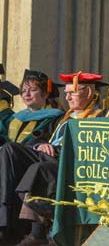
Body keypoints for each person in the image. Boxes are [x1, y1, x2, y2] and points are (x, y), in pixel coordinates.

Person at [0, 72, 103, 246]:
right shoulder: (66, 117)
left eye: (73, 92)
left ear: (88, 93)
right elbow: (45, 137)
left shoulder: (99, 118)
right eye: (66, 93)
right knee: (9, 150)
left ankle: (34, 232)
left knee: (38, 169)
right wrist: (39, 144)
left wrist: (53, 149)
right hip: (50, 155)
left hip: (69, 162)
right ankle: (4, 215)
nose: (67, 96)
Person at [0, 71, 63, 147]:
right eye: (23, 91)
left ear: (45, 94)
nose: (27, 94)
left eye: (33, 90)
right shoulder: (15, 118)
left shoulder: (55, 118)